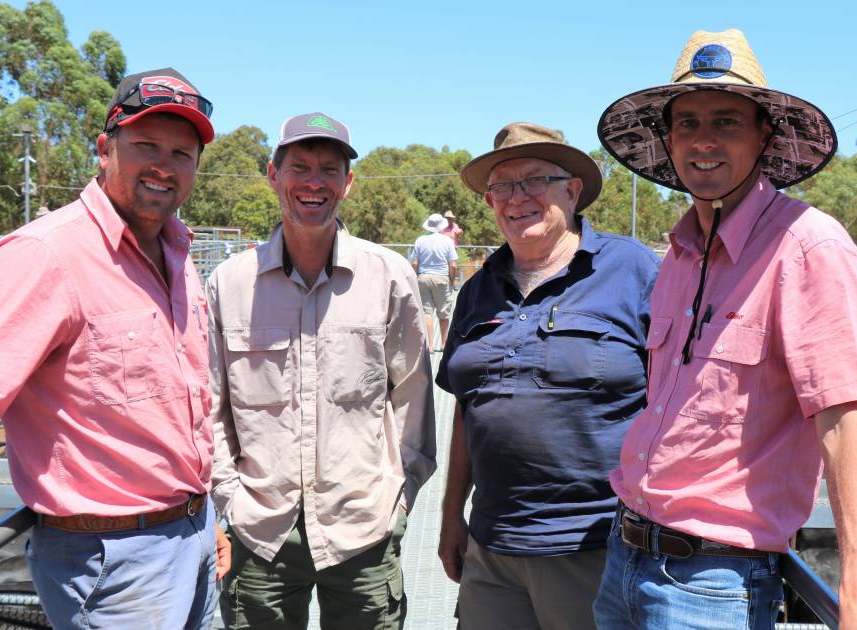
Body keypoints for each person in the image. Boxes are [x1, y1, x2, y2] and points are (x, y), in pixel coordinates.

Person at [0, 67, 228, 629]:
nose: (165, 165)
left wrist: (201, 518)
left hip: (192, 537)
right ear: (104, 148)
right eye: (146, 146)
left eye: (182, 153)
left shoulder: (180, 254)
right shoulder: (46, 255)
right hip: (111, 563)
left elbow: (182, 409)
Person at [593, 30, 857, 629]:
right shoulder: (680, 253)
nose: (703, 140)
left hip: (713, 583)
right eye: (686, 123)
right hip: (626, 555)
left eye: (727, 121)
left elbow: (845, 419)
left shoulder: (807, 246)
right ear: (668, 139)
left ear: (765, 135)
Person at [207, 111, 436, 629]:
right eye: (300, 167)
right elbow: (210, 405)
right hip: (260, 530)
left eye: (329, 169)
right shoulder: (230, 283)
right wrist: (230, 499)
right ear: (273, 175)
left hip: (363, 527)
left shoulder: (388, 276)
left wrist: (397, 501)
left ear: (348, 183)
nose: (314, 182)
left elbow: (412, 395)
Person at [436, 122, 660, 630]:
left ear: (573, 189)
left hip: (597, 546)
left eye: (534, 180)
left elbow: (676, 399)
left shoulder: (632, 270)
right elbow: (468, 409)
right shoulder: (479, 289)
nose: (517, 198)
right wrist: (452, 513)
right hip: (492, 550)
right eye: (502, 186)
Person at [408, 212, 459, 350]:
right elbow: (453, 265)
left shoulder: (420, 240)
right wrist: (452, 279)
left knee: (426, 313)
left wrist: (414, 278)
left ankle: (430, 345)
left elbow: (414, 263)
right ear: (441, 226)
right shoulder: (447, 241)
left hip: (423, 278)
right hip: (442, 278)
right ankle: (444, 344)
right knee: (443, 314)